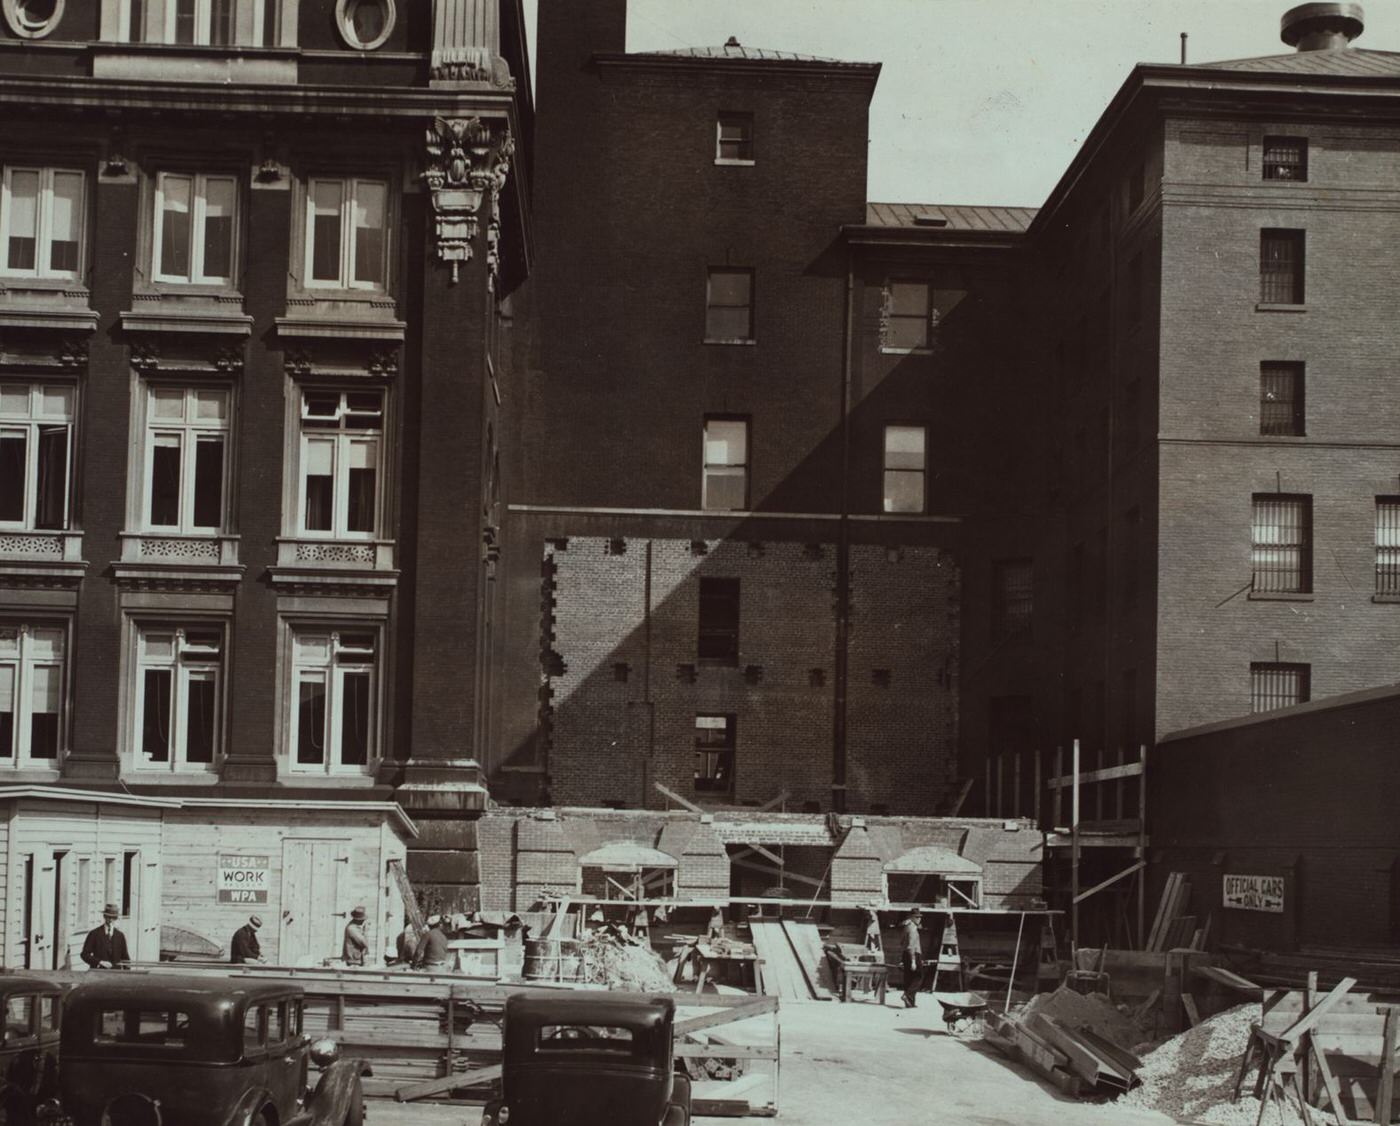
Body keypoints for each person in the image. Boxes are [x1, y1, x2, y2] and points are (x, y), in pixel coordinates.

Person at [80, 903, 130, 970]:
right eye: (108, 917)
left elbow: (125, 958)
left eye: (114, 917)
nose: (111, 920)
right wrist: (99, 962)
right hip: (98, 973)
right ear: (104, 916)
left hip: (116, 975)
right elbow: (84, 955)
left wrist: (127, 975)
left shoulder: (120, 936)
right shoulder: (94, 934)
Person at [899, 906, 924, 1009]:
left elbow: (902, 943)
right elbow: (911, 945)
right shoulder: (912, 929)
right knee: (919, 976)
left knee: (909, 978)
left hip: (906, 954)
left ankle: (910, 1002)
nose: (919, 919)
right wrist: (913, 960)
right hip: (913, 953)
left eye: (920, 917)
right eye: (917, 917)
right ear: (912, 917)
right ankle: (907, 995)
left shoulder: (907, 926)